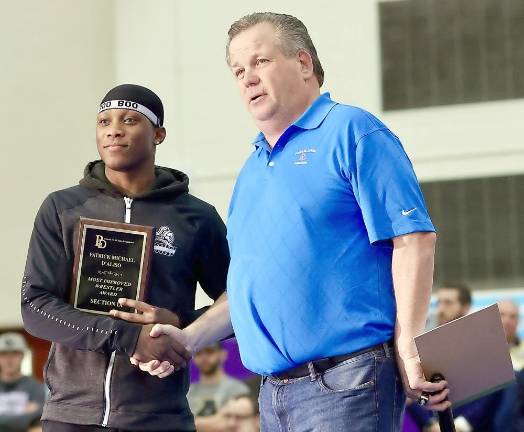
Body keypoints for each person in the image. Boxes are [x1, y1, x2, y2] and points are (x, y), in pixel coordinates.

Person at [136, 12, 449, 431]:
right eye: (238, 70)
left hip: (347, 382)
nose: (247, 78)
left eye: (260, 62)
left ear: (303, 64)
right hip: (272, 394)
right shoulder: (251, 172)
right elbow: (250, 290)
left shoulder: (352, 131)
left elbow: (413, 239)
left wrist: (411, 348)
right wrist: (190, 337)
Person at [21, 84, 230, 431]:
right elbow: (35, 306)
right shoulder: (62, 208)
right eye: (104, 121)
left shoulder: (196, 217)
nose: (114, 129)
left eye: (130, 120)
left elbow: (242, 303)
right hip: (71, 415)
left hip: (160, 417)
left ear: (158, 134)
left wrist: (179, 324)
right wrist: (129, 336)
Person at [407, 283, 502, 432]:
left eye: (448, 303)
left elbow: (493, 387)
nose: (441, 309)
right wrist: (429, 424)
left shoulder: (483, 344)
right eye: (439, 303)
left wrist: (461, 425)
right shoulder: (424, 346)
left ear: (465, 306)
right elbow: (416, 391)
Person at [187, 343, 249, 431]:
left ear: (222, 354)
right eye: (198, 353)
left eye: (210, 352)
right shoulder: (189, 391)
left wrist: (191, 423)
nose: (204, 357)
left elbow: (233, 424)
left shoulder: (237, 389)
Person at [0, 332, 46, 432]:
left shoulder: (35, 387)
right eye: (4, 354)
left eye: (15, 353)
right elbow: (28, 419)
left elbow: (38, 421)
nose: (9, 360)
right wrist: (23, 414)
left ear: (23, 355)